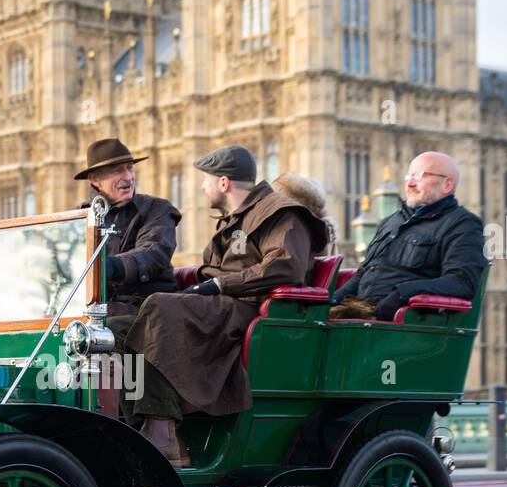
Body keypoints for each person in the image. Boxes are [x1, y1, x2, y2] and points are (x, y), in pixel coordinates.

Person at [109, 145, 330, 466]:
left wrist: (217, 284)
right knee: (116, 330)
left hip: (246, 307)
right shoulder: (235, 218)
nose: (202, 187)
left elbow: (285, 267)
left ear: (224, 182)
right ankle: (139, 424)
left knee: (159, 307)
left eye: (206, 180)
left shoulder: (281, 212)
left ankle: (163, 433)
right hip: (219, 307)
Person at [330, 151, 486, 320]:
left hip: (405, 322)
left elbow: (463, 282)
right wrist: (335, 298)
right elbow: (364, 273)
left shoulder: (462, 224)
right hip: (360, 316)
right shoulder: (390, 222)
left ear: (447, 184)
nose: (410, 183)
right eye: (408, 176)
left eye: (420, 176)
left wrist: (402, 294)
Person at [75, 138, 180, 317]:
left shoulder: (156, 209)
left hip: (146, 310)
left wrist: (112, 266)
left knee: (100, 332)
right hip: (94, 310)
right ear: (95, 179)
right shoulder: (80, 217)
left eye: (130, 168)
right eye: (117, 170)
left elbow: (153, 253)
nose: (128, 177)